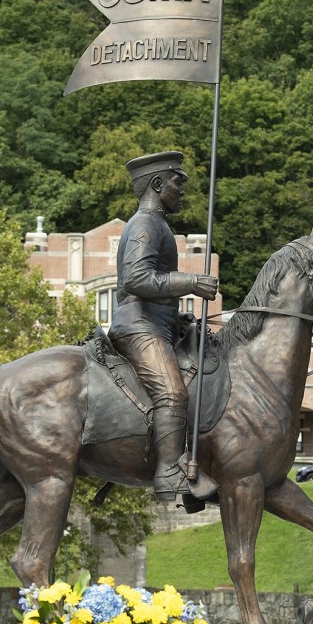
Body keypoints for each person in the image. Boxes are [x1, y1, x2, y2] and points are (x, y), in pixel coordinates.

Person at [108, 151, 219, 501]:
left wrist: (176, 317)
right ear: (157, 184)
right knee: (172, 392)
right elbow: (135, 279)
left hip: (159, 326)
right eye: (177, 182)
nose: (182, 190)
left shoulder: (158, 224)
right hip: (139, 328)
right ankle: (170, 472)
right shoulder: (144, 223)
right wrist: (190, 282)